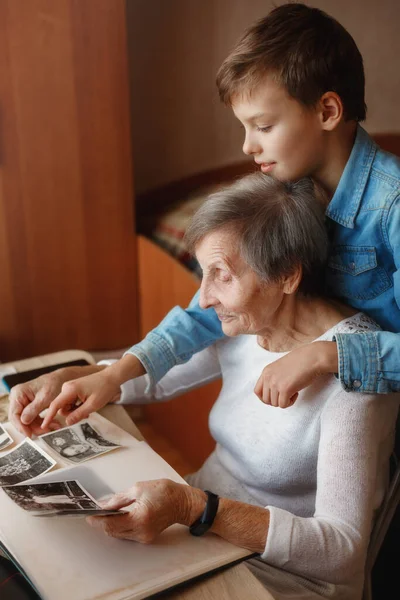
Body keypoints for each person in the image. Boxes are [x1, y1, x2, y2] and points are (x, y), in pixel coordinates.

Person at [8, 3, 400, 436]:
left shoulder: (392, 206)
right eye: (244, 128)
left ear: (327, 111)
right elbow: (205, 313)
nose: (248, 147)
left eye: (263, 126)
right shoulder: (289, 189)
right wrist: (113, 374)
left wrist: (327, 355)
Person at [63, 174, 397, 599]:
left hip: (282, 576)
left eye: (221, 275)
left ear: (288, 275)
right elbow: (157, 378)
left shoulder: (355, 377)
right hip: (198, 530)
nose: (202, 299)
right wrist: (82, 375)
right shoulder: (252, 319)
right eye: (202, 273)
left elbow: (341, 551)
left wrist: (195, 507)